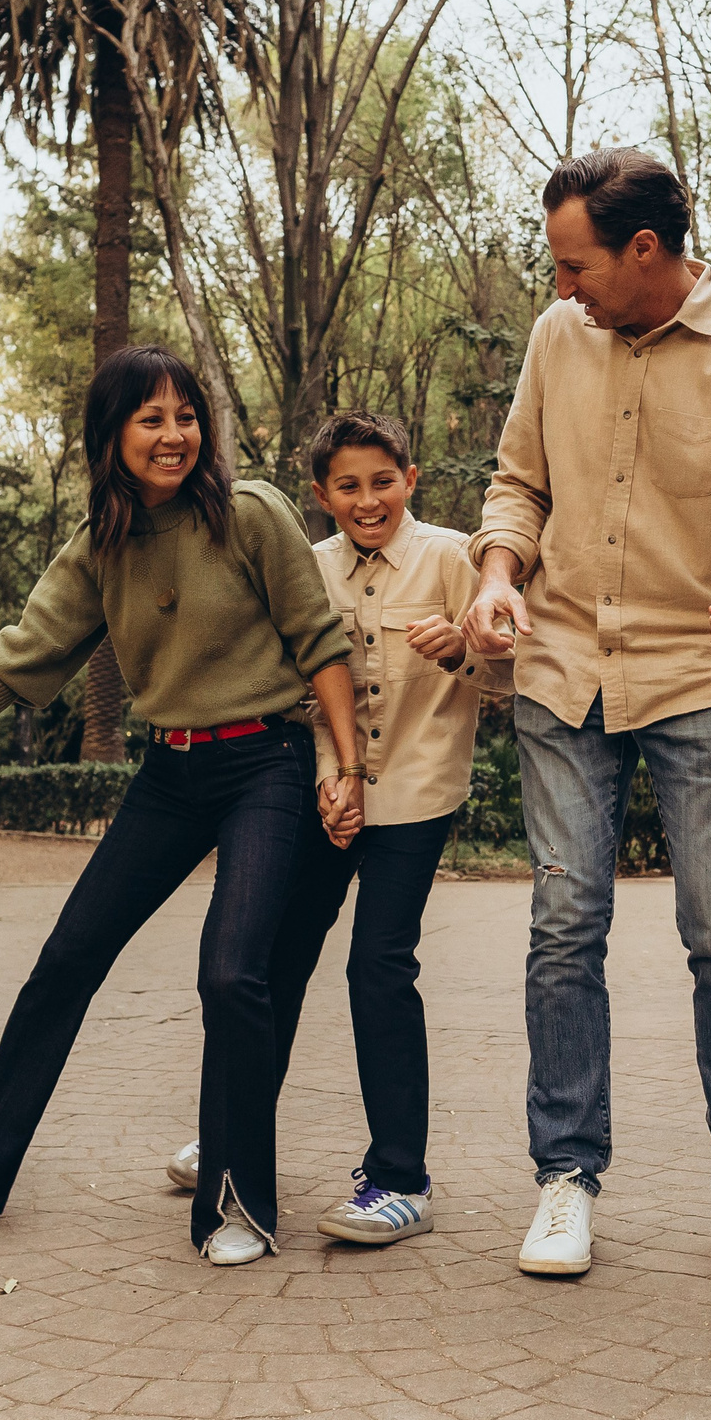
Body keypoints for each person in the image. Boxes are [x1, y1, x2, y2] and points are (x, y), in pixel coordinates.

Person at [0, 345, 363, 1267]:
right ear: (112, 436)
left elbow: (320, 641)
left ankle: (239, 1200)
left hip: (267, 766)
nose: (174, 436)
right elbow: (14, 659)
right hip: (171, 773)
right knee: (67, 956)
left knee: (231, 974)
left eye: (185, 417)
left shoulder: (250, 514)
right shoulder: (100, 545)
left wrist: (346, 767)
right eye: (150, 420)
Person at [464, 146, 711, 1282]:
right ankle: (564, 1180)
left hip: (699, 681)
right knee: (561, 924)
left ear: (645, 249)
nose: (561, 287)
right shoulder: (557, 339)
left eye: (575, 264)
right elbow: (516, 483)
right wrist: (497, 572)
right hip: (561, 670)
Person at [168, 410, 509, 1244]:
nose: (368, 500)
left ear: (411, 480)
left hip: (418, 798)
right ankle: (234, 1139)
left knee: (377, 967)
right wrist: (332, 777)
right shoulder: (305, 565)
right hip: (324, 796)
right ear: (320, 497)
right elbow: (295, 682)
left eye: (383, 482)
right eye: (348, 487)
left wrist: (460, 653)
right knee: (275, 963)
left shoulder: (456, 558)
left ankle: (400, 1178)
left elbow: (514, 675)